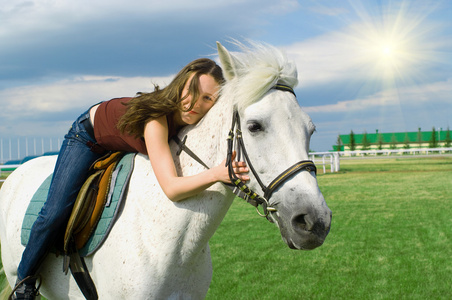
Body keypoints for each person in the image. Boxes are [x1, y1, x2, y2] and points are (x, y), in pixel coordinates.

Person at [11, 58, 249, 299]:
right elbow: (171, 188)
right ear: (179, 85)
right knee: (55, 211)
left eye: (207, 99)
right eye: (192, 91)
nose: (194, 104)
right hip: (88, 137)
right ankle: (24, 280)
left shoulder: (187, 121)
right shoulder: (157, 121)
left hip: (118, 140)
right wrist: (216, 174)